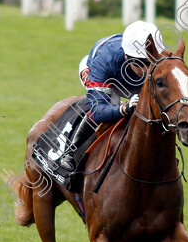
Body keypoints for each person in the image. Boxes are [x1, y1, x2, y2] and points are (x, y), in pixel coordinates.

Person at [58, 21, 166, 172]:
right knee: (111, 110)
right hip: (108, 78)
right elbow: (98, 111)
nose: (147, 70)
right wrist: (124, 108)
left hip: (131, 79)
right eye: (141, 63)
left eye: (152, 62)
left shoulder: (160, 55)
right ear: (127, 56)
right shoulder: (104, 60)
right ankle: (69, 152)